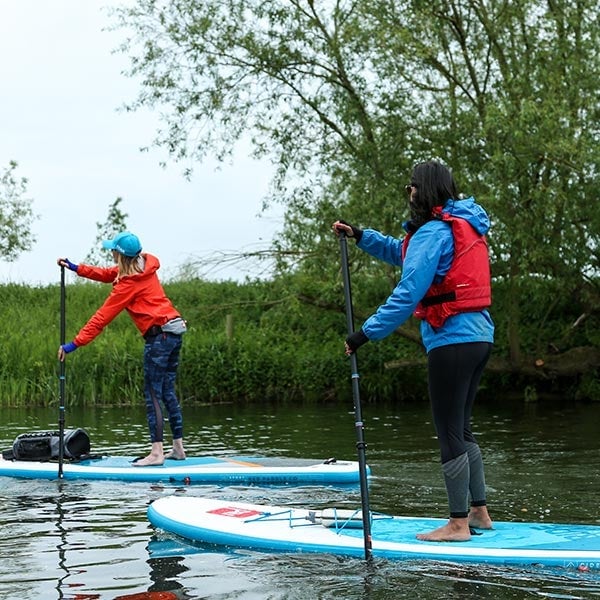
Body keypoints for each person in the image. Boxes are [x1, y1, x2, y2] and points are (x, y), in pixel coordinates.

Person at [333, 160, 494, 542]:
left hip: (451, 341)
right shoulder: (459, 225)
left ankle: (457, 525)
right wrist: (361, 235)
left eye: (413, 186)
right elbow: (401, 250)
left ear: (426, 190)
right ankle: (478, 513)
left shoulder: (434, 231)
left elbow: (408, 292)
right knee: (462, 427)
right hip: (479, 338)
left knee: (449, 431)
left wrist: (364, 334)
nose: (410, 192)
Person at [57, 231, 187, 467]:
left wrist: (74, 344)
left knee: (153, 395)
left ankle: (157, 453)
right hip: (174, 331)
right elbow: (108, 274)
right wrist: (77, 268)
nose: (111, 254)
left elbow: (101, 318)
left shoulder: (128, 285)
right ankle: (178, 448)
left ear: (121, 255)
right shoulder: (144, 265)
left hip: (159, 337)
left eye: (114, 251)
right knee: (166, 391)